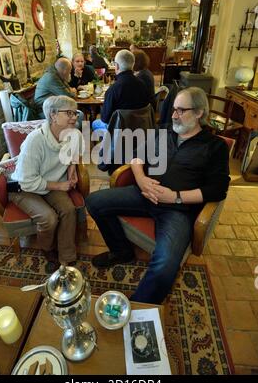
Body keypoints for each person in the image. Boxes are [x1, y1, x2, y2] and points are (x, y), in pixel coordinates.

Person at [86, 87, 230, 304]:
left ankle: (138, 308)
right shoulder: (162, 132)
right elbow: (136, 157)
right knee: (94, 202)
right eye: (173, 109)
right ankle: (121, 251)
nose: (173, 115)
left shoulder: (214, 146)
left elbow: (218, 189)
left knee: (165, 266)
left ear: (199, 112)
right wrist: (141, 179)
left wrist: (176, 197)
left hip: (177, 210)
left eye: (181, 110)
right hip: (143, 194)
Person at [10, 96, 82, 269]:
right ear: (53, 116)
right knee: (49, 218)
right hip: (24, 188)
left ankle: (67, 255)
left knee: (68, 210)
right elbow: (27, 181)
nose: (75, 117)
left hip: (50, 183)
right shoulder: (35, 141)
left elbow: (75, 154)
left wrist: (72, 170)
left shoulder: (74, 134)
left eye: (75, 113)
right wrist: (59, 186)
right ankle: (47, 248)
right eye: (69, 113)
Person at [92, 49, 152, 131]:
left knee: (95, 123)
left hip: (119, 133)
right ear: (133, 65)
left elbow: (105, 119)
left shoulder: (113, 90)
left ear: (116, 66)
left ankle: (108, 143)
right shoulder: (143, 85)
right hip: (140, 129)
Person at [34, 57, 84, 128]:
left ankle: (78, 136)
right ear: (65, 70)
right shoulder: (52, 77)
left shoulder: (56, 75)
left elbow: (68, 89)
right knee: (80, 115)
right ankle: (69, 137)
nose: (70, 73)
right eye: (69, 71)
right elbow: (69, 96)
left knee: (80, 115)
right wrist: (72, 91)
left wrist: (71, 91)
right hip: (44, 111)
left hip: (53, 107)